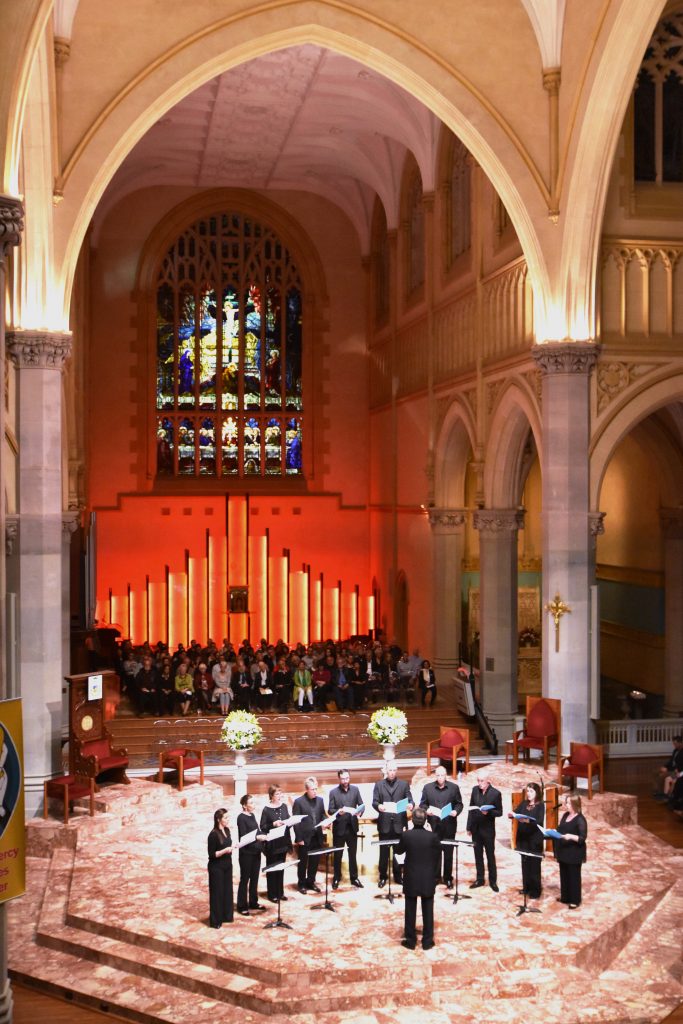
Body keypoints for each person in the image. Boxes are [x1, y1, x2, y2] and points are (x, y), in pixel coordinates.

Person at [396, 807, 441, 950]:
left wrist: (403, 834)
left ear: (412, 821)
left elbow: (398, 851)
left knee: (410, 909)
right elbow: (437, 856)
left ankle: (410, 941)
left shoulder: (406, 835)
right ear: (425, 821)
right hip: (428, 877)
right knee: (428, 910)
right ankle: (427, 942)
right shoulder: (433, 836)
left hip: (411, 876)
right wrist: (435, 876)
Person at [419, 765, 463, 888]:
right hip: (434, 825)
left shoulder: (454, 788)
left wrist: (455, 812)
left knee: (448, 853)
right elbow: (422, 804)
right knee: (435, 853)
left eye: (442, 775)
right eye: (437, 775)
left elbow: (459, 804)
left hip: (449, 825)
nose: (440, 778)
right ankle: (436, 877)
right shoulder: (427, 788)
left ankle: (448, 878)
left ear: (446, 775)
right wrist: (427, 810)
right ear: (435, 775)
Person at [372, 761, 414, 886]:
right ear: (386, 770)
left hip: (399, 823)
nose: (392, 773)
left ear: (397, 771)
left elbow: (410, 800)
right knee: (383, 853)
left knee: (399, 852)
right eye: (390, 770)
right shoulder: (379, 785)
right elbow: (374, 802)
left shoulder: (403, 784)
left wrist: (411, 805)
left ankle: (398, 876)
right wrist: (378, 806)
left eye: (394, 770)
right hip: (384, 823)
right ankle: (383, 876)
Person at [328, 768, 364, 889]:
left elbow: (361, 805)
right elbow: (330, 810)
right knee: (338, 855)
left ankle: (354, 878)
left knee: (352, 855)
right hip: (339, 829)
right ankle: (337, 877)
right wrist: (339, 812)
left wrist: (360, 812)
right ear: (339, 778)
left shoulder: (355, 790)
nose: (345, 781)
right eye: (343, 778)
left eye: (347, 778)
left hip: (352, 828)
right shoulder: (333, 792)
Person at [466, 770, 503, 892]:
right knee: (478, 855)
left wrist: (489, 812)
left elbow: (499, 812)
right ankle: (480, 879)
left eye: (482, 781)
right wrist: (469, 826)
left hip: (488, 830)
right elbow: (471, 808)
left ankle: (493, 881)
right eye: (478, 781)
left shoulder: (496, 793)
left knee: (490, 856)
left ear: (488, 781)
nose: (479, 783)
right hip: (476, 828)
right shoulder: (474, 790)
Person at [508, 782, 544, 899]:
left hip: (534, 840)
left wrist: (527, 821)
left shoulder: (540, 805)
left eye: (531, 791)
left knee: (534, 866)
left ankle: (536, 890)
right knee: (525, 864)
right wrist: (512, 814)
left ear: (537, 793)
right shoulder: (524, 803)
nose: (528, 794)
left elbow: (539, 820)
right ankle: (526, 887)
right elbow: (516, 812)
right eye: (527, 791)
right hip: (523, 838)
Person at [292, 776, 328, 893]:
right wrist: (299, 838)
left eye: (316, 789)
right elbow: (296, 822)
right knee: (303, 862)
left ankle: (311, 882)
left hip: (317, 836)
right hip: (304, 837)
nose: (315, 791)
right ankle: (301, 883)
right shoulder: (299, 802)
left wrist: (326, 822)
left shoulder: (320, 800)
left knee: (314, 861)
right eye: (313, 789)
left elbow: (322, 814)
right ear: (307, 789)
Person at [554, 792, 587, 908]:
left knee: (573, 876)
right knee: (564, 874)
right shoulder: (565, 815)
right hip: (563, 850)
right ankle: (565, 896)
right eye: (566, 802)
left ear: (575, 804)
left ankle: (574, 900)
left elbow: (582, 838)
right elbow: (560, 828)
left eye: (568, 803)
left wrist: (570, 836)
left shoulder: (580, 819)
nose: (565, 805)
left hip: (574, 852)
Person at [259, 784, 291, 903]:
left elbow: (287, 819)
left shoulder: (284, 806)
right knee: (272, 869)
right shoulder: (266, 809)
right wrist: (273, 824)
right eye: (277, 794)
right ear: (271, 796)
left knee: (281, 868)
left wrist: (290, 822)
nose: (279, 796)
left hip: (282, 841)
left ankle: (280, 892)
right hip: (272, 843)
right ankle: (272, 894)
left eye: (280, 793)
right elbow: (262, 827)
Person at [236, 793, 266, 916]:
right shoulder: (241, 818)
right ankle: (241, 905)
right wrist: (257, 836)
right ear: (244, 805)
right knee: (245, 879)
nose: (254, 805)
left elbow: (257, 831)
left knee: (254, 878)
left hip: (256, 852)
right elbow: (244, 836)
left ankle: (253, 902)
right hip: (246, 853)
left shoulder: (252, 815)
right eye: (251, 803)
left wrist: (265, 835)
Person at [207, 807, 234, 927]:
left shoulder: (227, 830)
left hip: (227, 864)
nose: (228, 820)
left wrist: (232, 849)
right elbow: (212, 854)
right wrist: (225, 851)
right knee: (217, 894)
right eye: (226, 818)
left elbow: (228, 845)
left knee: (227, 891)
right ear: (219, 819)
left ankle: (226, 916)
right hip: (216, 867)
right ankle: (216, 920)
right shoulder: (213, 835)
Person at [656, 735, 683, 799]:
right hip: (673, 769)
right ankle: (658, 791)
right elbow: (671, 760)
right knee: (655, 772)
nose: (674, 745)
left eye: (675, 744)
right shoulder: (675, 750)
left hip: (676, 771)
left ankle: (664, 795)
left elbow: (679, 766)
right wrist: (665, 766)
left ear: (680, 743)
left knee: (662, 776)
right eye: (673, 743)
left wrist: (669, 769)